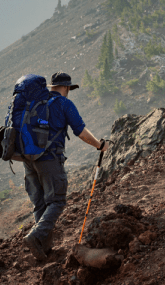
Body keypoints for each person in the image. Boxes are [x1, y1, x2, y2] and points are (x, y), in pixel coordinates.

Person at [23, 72, 109, 261]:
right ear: (67, 87)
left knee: (41, 204)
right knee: (57, 201)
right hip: (49, 159)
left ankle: (43, 250)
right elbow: (81, 132)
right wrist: (100, 145)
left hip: (28, 159)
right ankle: (35, 236)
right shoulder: (64, 104)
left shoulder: (35, 103)